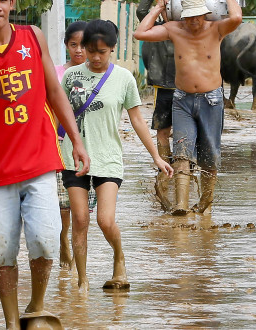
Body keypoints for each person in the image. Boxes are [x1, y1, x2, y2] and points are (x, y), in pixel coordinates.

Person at [0, 0, 90, 328]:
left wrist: (77, 141)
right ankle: (12, 323)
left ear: (11, 3)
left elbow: (54, 91)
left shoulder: (32, 36)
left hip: (40, 162)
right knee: (1, 251)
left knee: (45, 240)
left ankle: (36, 307)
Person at [60, 19, 174, 291]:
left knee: (104, 219)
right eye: (90, 50)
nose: (96, 57)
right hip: (72, 158)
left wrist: (157, 157)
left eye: (102, 51)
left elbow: (137, 120)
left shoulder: (123, 78)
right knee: (79, 219)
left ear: (112, 48)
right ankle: (83, 282)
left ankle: (118, 257)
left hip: (108, 158)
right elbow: (57, 116)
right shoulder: (69, 77)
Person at [133, 0, 242, 215]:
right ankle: (181, 206)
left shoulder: (216, 29)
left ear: (206, 14)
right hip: (182, 99)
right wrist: (158, 8)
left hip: (211, 100)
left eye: (198, 16)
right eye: (189, 16)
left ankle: (205, 203)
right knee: (182, 152)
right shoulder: (175, 30)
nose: (193, 20)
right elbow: (140, 33)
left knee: (210, 154)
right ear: (182, 16)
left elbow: (237, 18)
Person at [136, 0, 177, 211]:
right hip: (164, 87)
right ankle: (165, 169)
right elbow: (142, 11)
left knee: (184, 133)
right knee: (162, 132)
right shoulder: (156, 27)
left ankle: (181, 170)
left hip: (188, 87)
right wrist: (158, 5)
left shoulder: (188, 27)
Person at [55, 20, 88, 270]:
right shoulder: (56, 73)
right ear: (66, 46)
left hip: (89, 148)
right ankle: (63, 239)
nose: (79, 50)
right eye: (73, 45)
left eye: (83, 45)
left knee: (82, 210)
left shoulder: (98, 75)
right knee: (62, 204)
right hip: (58, 146)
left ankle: (78, 250)